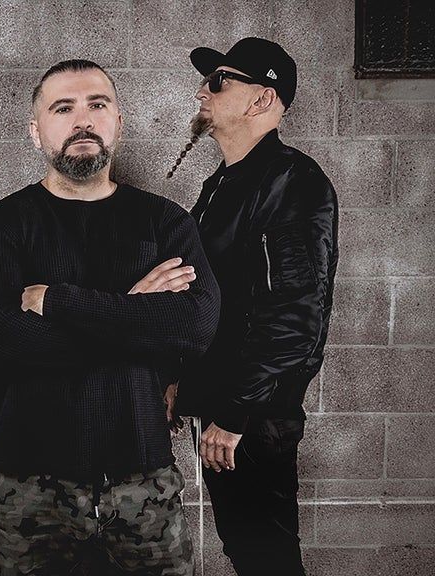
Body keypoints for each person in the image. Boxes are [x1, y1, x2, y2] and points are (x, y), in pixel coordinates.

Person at [0, 59, 221, 576]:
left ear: (118, 122)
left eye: (97, 105)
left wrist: (59, 304)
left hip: (143, 479)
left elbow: (195, 327)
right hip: (28, 486)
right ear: (36, 131)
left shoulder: (165, 223)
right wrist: (136, 306)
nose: (83, 120)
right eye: (63, 109)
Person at [171, 37, 338, 576]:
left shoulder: (293, 183)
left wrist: (234, 413)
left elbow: (295, 318)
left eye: (219, 81)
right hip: (225, 410)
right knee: (247, 554)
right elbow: (209, 299)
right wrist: (181, 382)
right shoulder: (222, 184)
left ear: (262, 99)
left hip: (251, 419)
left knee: (267, 561)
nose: (203, 91)